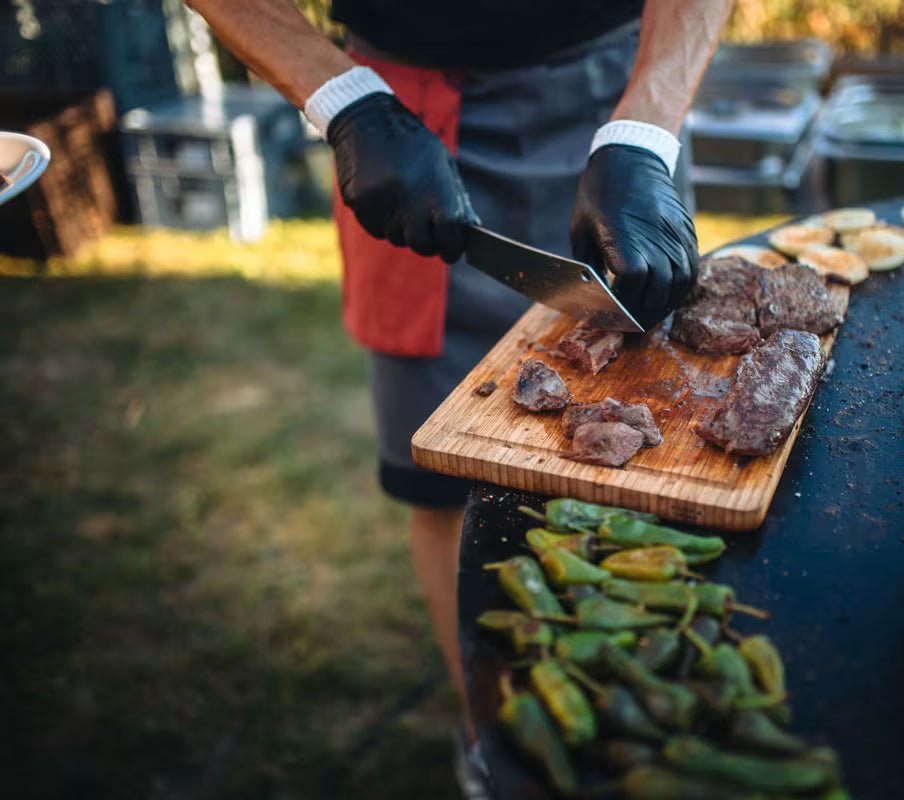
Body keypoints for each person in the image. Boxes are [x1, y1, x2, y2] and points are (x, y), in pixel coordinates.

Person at [184, 0, 731, 787]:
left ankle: (640, 715)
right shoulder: (370, 111)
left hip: (626, 92)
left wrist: (644, 131)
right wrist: (340, 99)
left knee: (657, 441)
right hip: (399, 120)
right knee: (438, 482)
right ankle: (488, 735)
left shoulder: (638, 110)